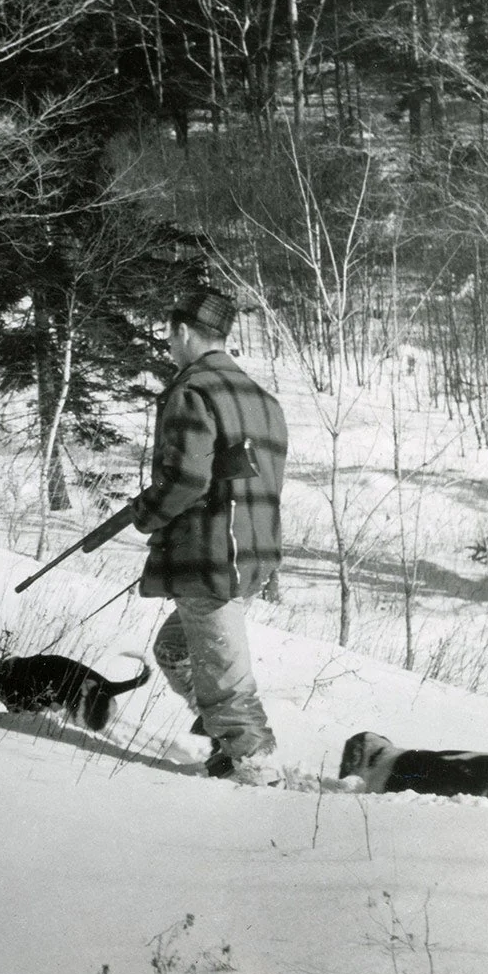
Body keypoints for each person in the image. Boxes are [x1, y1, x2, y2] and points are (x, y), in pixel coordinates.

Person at [129, 286, 288, 783]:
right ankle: (226, 740)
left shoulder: (191, 390)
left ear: (180, 331)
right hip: (254, 553)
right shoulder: (263, 399)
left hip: (209, 555)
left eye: (168, 334)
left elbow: (185, 480)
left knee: (227, 683)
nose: (168, 345)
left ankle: (257, 768)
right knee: (174, 650)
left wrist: (146, 513)